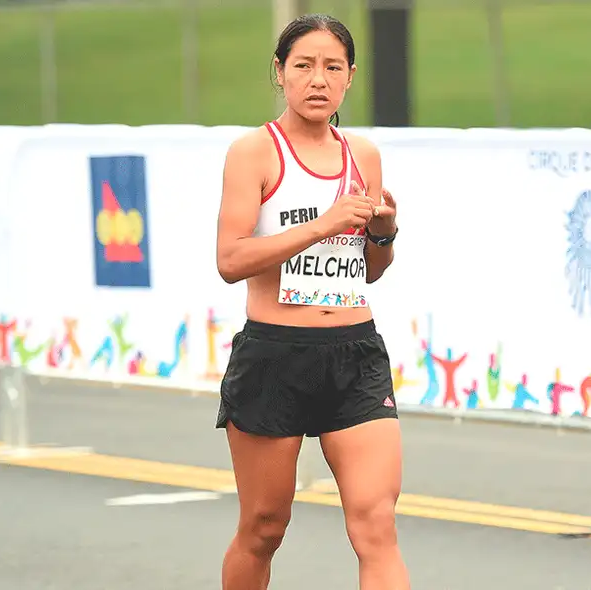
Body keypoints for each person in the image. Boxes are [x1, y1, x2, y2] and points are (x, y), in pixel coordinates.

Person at [213, 12, 410, 590]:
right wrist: (321, 225)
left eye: (332, 67)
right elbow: (230, 261)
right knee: (264, 526)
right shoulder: (254, 153)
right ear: (280, 73)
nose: (317, 79)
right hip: (276, 354)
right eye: (303, 66)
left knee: (376, 524)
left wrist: (384, 233)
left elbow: (368, 271)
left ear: (351, 76)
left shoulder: (364, 156)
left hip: (354, 353)